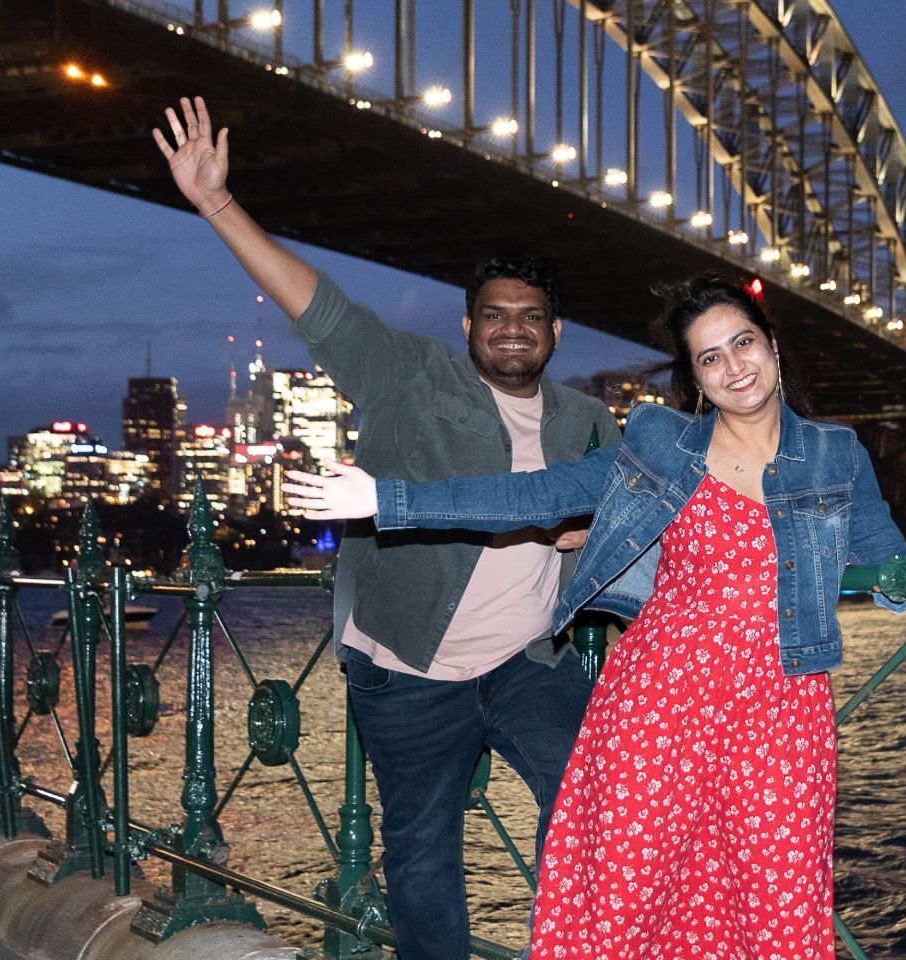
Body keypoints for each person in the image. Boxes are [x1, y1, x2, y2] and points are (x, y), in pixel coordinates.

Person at [285, 273, 906, 958]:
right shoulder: (663, 445)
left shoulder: (836, 456)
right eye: (710, 357)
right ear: (697, 379)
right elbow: (538, 495)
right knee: (626, 902)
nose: (734, 366)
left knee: (776, 907)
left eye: (744, 343)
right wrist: (393, 501)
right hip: (656, 706)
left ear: (773, 348)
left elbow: (893, 578)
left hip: (779, 715)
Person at [154, 97, 622, 960]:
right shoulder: (409, 375)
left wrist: (580, 536)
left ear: (555, 333)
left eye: (531, 317)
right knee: (419, 851)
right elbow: (320, 307)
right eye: (495, 314)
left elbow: (623, 524)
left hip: (528, 661)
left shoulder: (589, 419)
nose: (512, 329)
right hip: (408, 668)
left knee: (601, 807)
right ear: (468, 325)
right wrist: (218, 202)